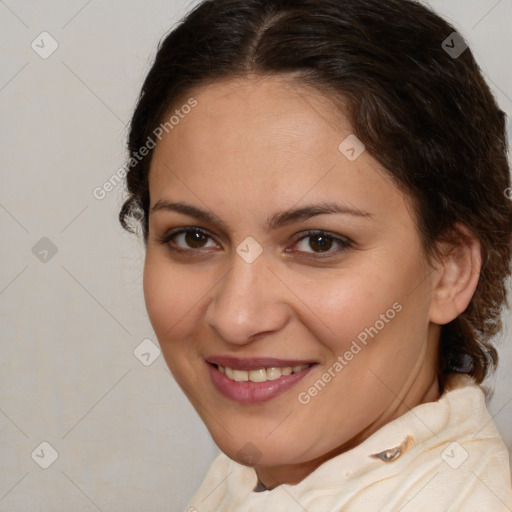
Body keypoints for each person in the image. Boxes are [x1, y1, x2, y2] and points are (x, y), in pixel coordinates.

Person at [118, 0, 512, 509]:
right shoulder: (250, 481)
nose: (237, 318)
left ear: (450, 272)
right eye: (194, 238)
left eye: (318, 242)